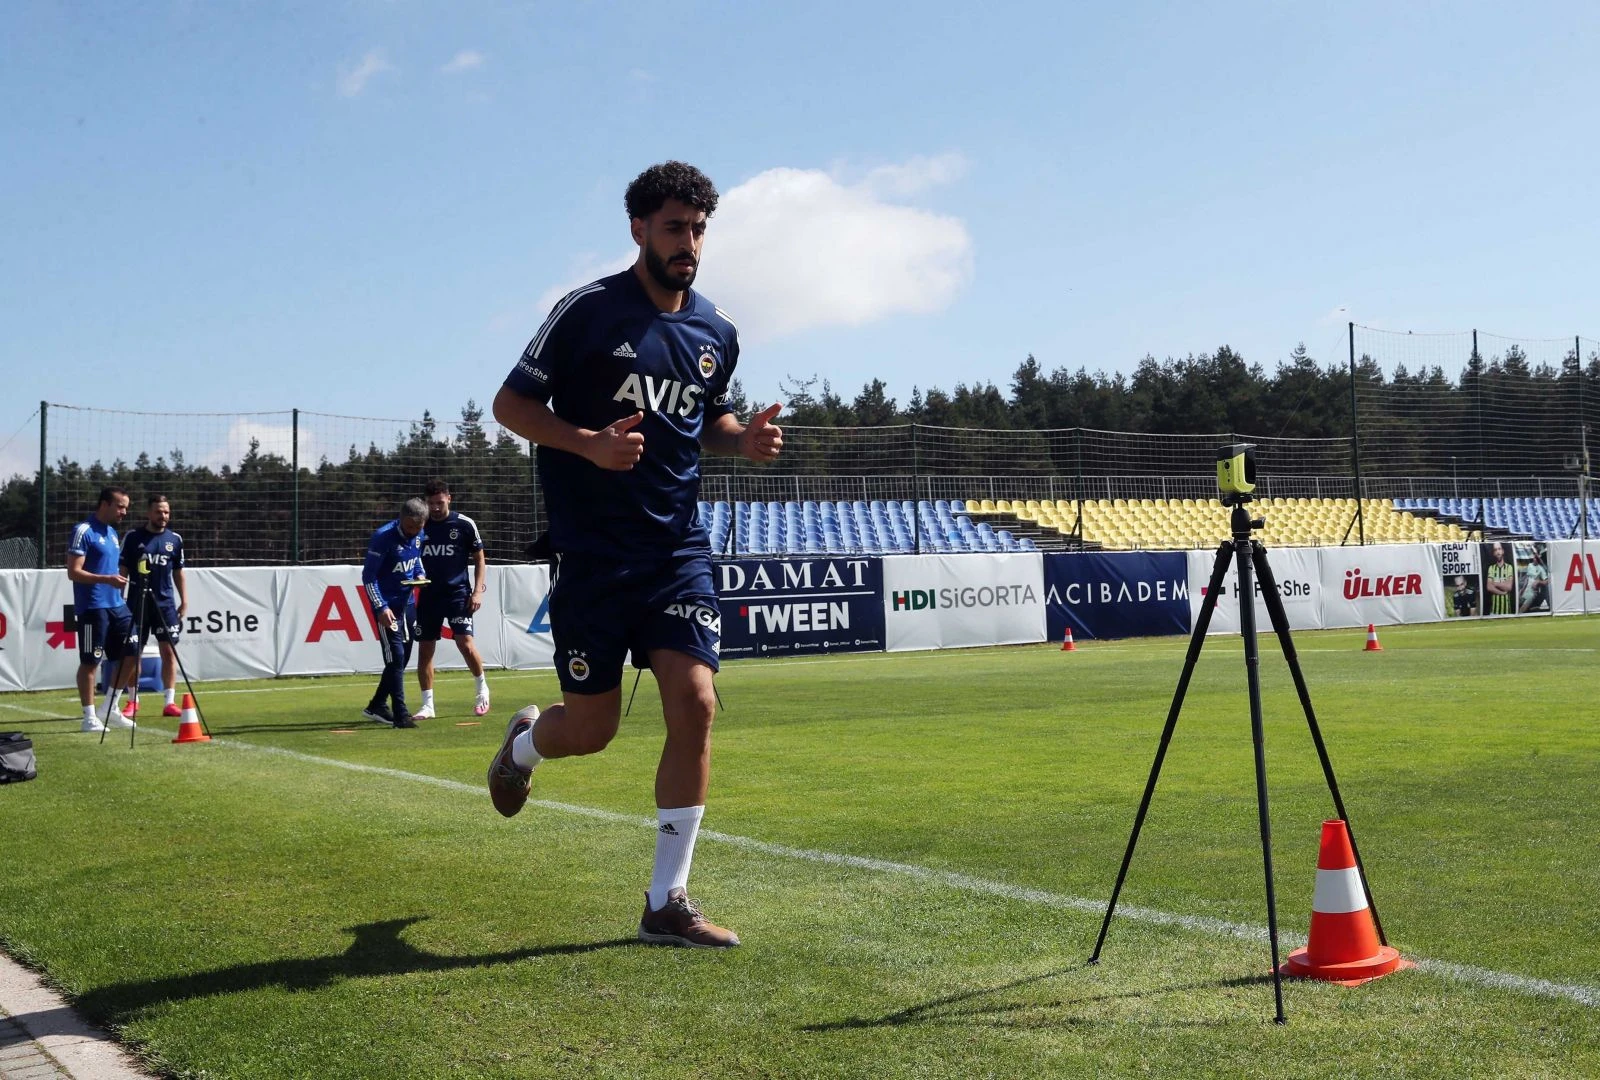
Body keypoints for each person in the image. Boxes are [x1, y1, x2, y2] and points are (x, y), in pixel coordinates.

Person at [489, 161, 783, 949]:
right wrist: (585, 443)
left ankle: (666, 902)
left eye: (697, 230)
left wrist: (742, 441)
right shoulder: (586, 311)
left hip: (676, 550)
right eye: (674, 229)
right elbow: (511, 404)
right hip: (593, 555)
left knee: (697, 701)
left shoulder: (716, 331)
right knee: (592, 730)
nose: (688, 244)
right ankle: (523, 744)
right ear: (638, 230)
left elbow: (706, 421)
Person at [413, 479, 491, 719]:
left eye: (439, 502)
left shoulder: (464, 524)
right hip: (428, 596)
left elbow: (479, 559)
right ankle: (428, 706)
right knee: (425, 649)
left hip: (458, 594)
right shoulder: (419, 525)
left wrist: (477, 591)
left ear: (449, 498)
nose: (435, 508)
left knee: (465, 643)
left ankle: (482, 691)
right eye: (430, 503)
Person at [64, 486, 139, 733]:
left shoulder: (114, 534)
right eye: (120, 506)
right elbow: (73, 572)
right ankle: (89, 717)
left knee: (132, 652)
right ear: (104, 504)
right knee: (90, 662)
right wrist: (107, 579)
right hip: (93, 607)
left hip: (117, 605)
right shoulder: (83, 531)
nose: (124, 512)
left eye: (126, 507)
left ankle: (111, 707)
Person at [118, 494, 188, 718]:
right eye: (159, 512)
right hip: (136, 604)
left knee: (168, 651)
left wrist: (184, 600)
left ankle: (169, 702)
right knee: (133, 653)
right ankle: (132, 700)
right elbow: (123, 571)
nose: (163, 516)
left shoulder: (174, 539)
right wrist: (118, 600)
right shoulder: (132, 537)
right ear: (149, 513)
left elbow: (178, 572)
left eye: (166, 512)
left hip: (165, 604)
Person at [360, 498, 428, 729]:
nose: (414, 532)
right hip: (387, 608)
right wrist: (381, 607)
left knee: (401, 660)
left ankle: (377, 705)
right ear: (401, 519)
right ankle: (401, 714)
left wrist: (420, 575)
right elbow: (369, 577)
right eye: (410, 527)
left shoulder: (419, 535)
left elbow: (415, 560)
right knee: (396, 658)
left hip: (407, 604)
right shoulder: (383, 537)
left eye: (418, 528)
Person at [1483, 541, 1514, 615]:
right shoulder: (1491, 568)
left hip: (1506, 610)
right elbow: (1489, 587)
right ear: (1493, 553)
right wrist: (1502, 592)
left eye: (1499, 549)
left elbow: (1509, 587)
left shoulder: (1509, 567)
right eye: (1495, 550)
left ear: (1502, 551)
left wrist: (1495, 583)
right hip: (1494, 611)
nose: (1498, 552)